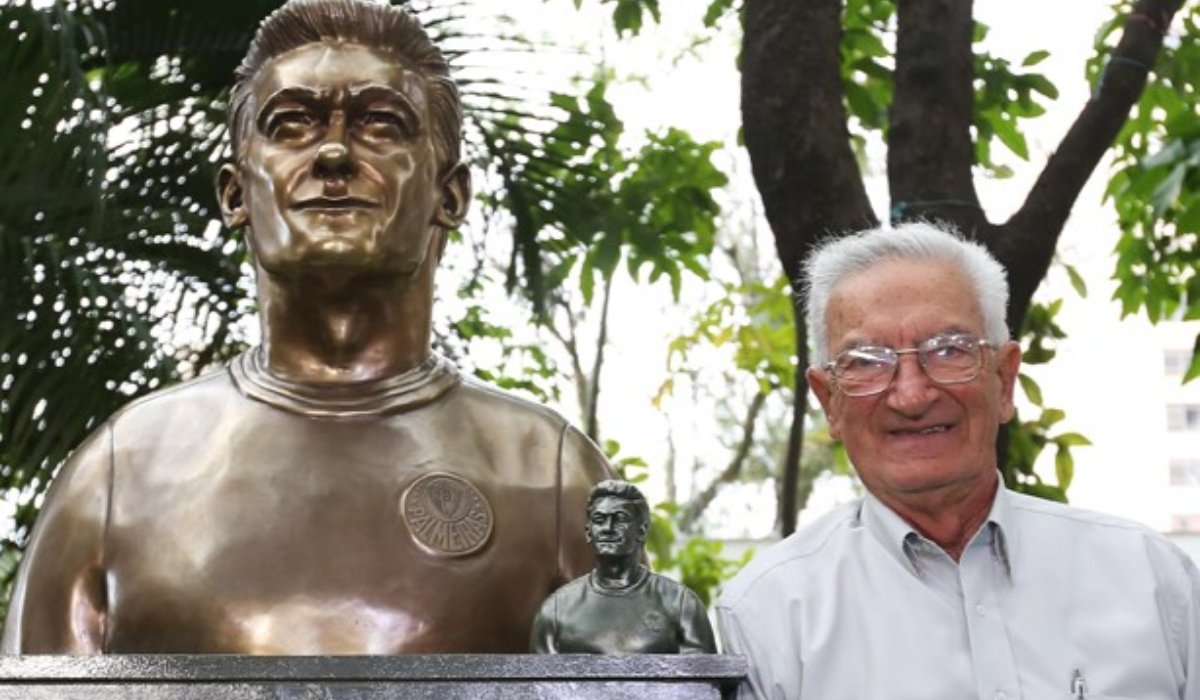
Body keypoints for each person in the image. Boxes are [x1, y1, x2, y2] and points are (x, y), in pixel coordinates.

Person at [3, 0, 612, 654]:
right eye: (291, 124)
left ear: (450, 195)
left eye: (380, 124)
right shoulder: (122, 471)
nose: (331, 154)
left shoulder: (551, 476)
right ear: (236, 194)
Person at [715, 221, 1200, 699]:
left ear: (1005, 380)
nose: (910, 395)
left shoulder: (1153, 582)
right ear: (829, 402)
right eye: (865, 360)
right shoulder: (770, 615)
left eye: (948, 350)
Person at [530, 480, 716, 654]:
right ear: (588, 532)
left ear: (641, 531)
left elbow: (703, 683)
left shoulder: (681, 605)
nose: (608, 527)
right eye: (599, 519)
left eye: (619, 518)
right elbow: (540, 686)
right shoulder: (555, 610)